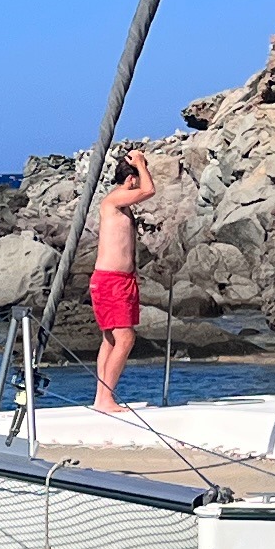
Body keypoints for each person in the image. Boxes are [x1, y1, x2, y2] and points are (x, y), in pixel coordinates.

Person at [87, 145, 162, 411]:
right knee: (125, 338)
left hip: (120, 280)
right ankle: (106, 398)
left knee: (110, 339)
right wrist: (141, 163)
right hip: (111, 280)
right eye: (137, 177)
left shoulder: (122, 204)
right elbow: (149, 191)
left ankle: (101, 398)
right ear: (131, 179)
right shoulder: (114, 199)